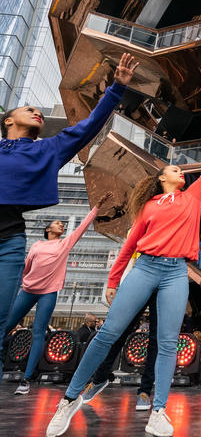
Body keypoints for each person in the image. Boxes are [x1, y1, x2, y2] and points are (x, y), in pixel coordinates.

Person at [45, 124, 201, 437]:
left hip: (176, 272)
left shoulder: (192, 197)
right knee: (108, 333)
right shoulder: (149, 206)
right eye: (176, 169)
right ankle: (68, 400)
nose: (182, 173)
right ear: (163, 178)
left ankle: (158, 410)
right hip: (145, 268)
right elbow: (130, 245)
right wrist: (113, 280)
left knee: (167, 343)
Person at [0, 53, 138, 367]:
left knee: (1, 323)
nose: (37, 112)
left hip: (9, 241)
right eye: (28, 109)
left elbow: (88, 127)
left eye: (38, 110)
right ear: (8, 121)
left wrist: (116, 88)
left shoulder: (46, 150)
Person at [1, 192, 111, 395]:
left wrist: (97, 207)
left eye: (63, 224)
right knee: (5, 327)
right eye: (58, 223)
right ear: (47, 229)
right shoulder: (37, 245)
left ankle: (26, 380)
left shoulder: (64, 244)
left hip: (48, 293)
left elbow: (82, 227)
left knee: (38, 333)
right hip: (27, 291)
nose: (62, 225)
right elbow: (24, 268)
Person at [81, 291, 158, 412]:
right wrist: (113, 280)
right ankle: (99, 378)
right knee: (121, 330)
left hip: (165, 281)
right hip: (144, 277)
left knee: (155, 339)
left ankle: (145, 391)